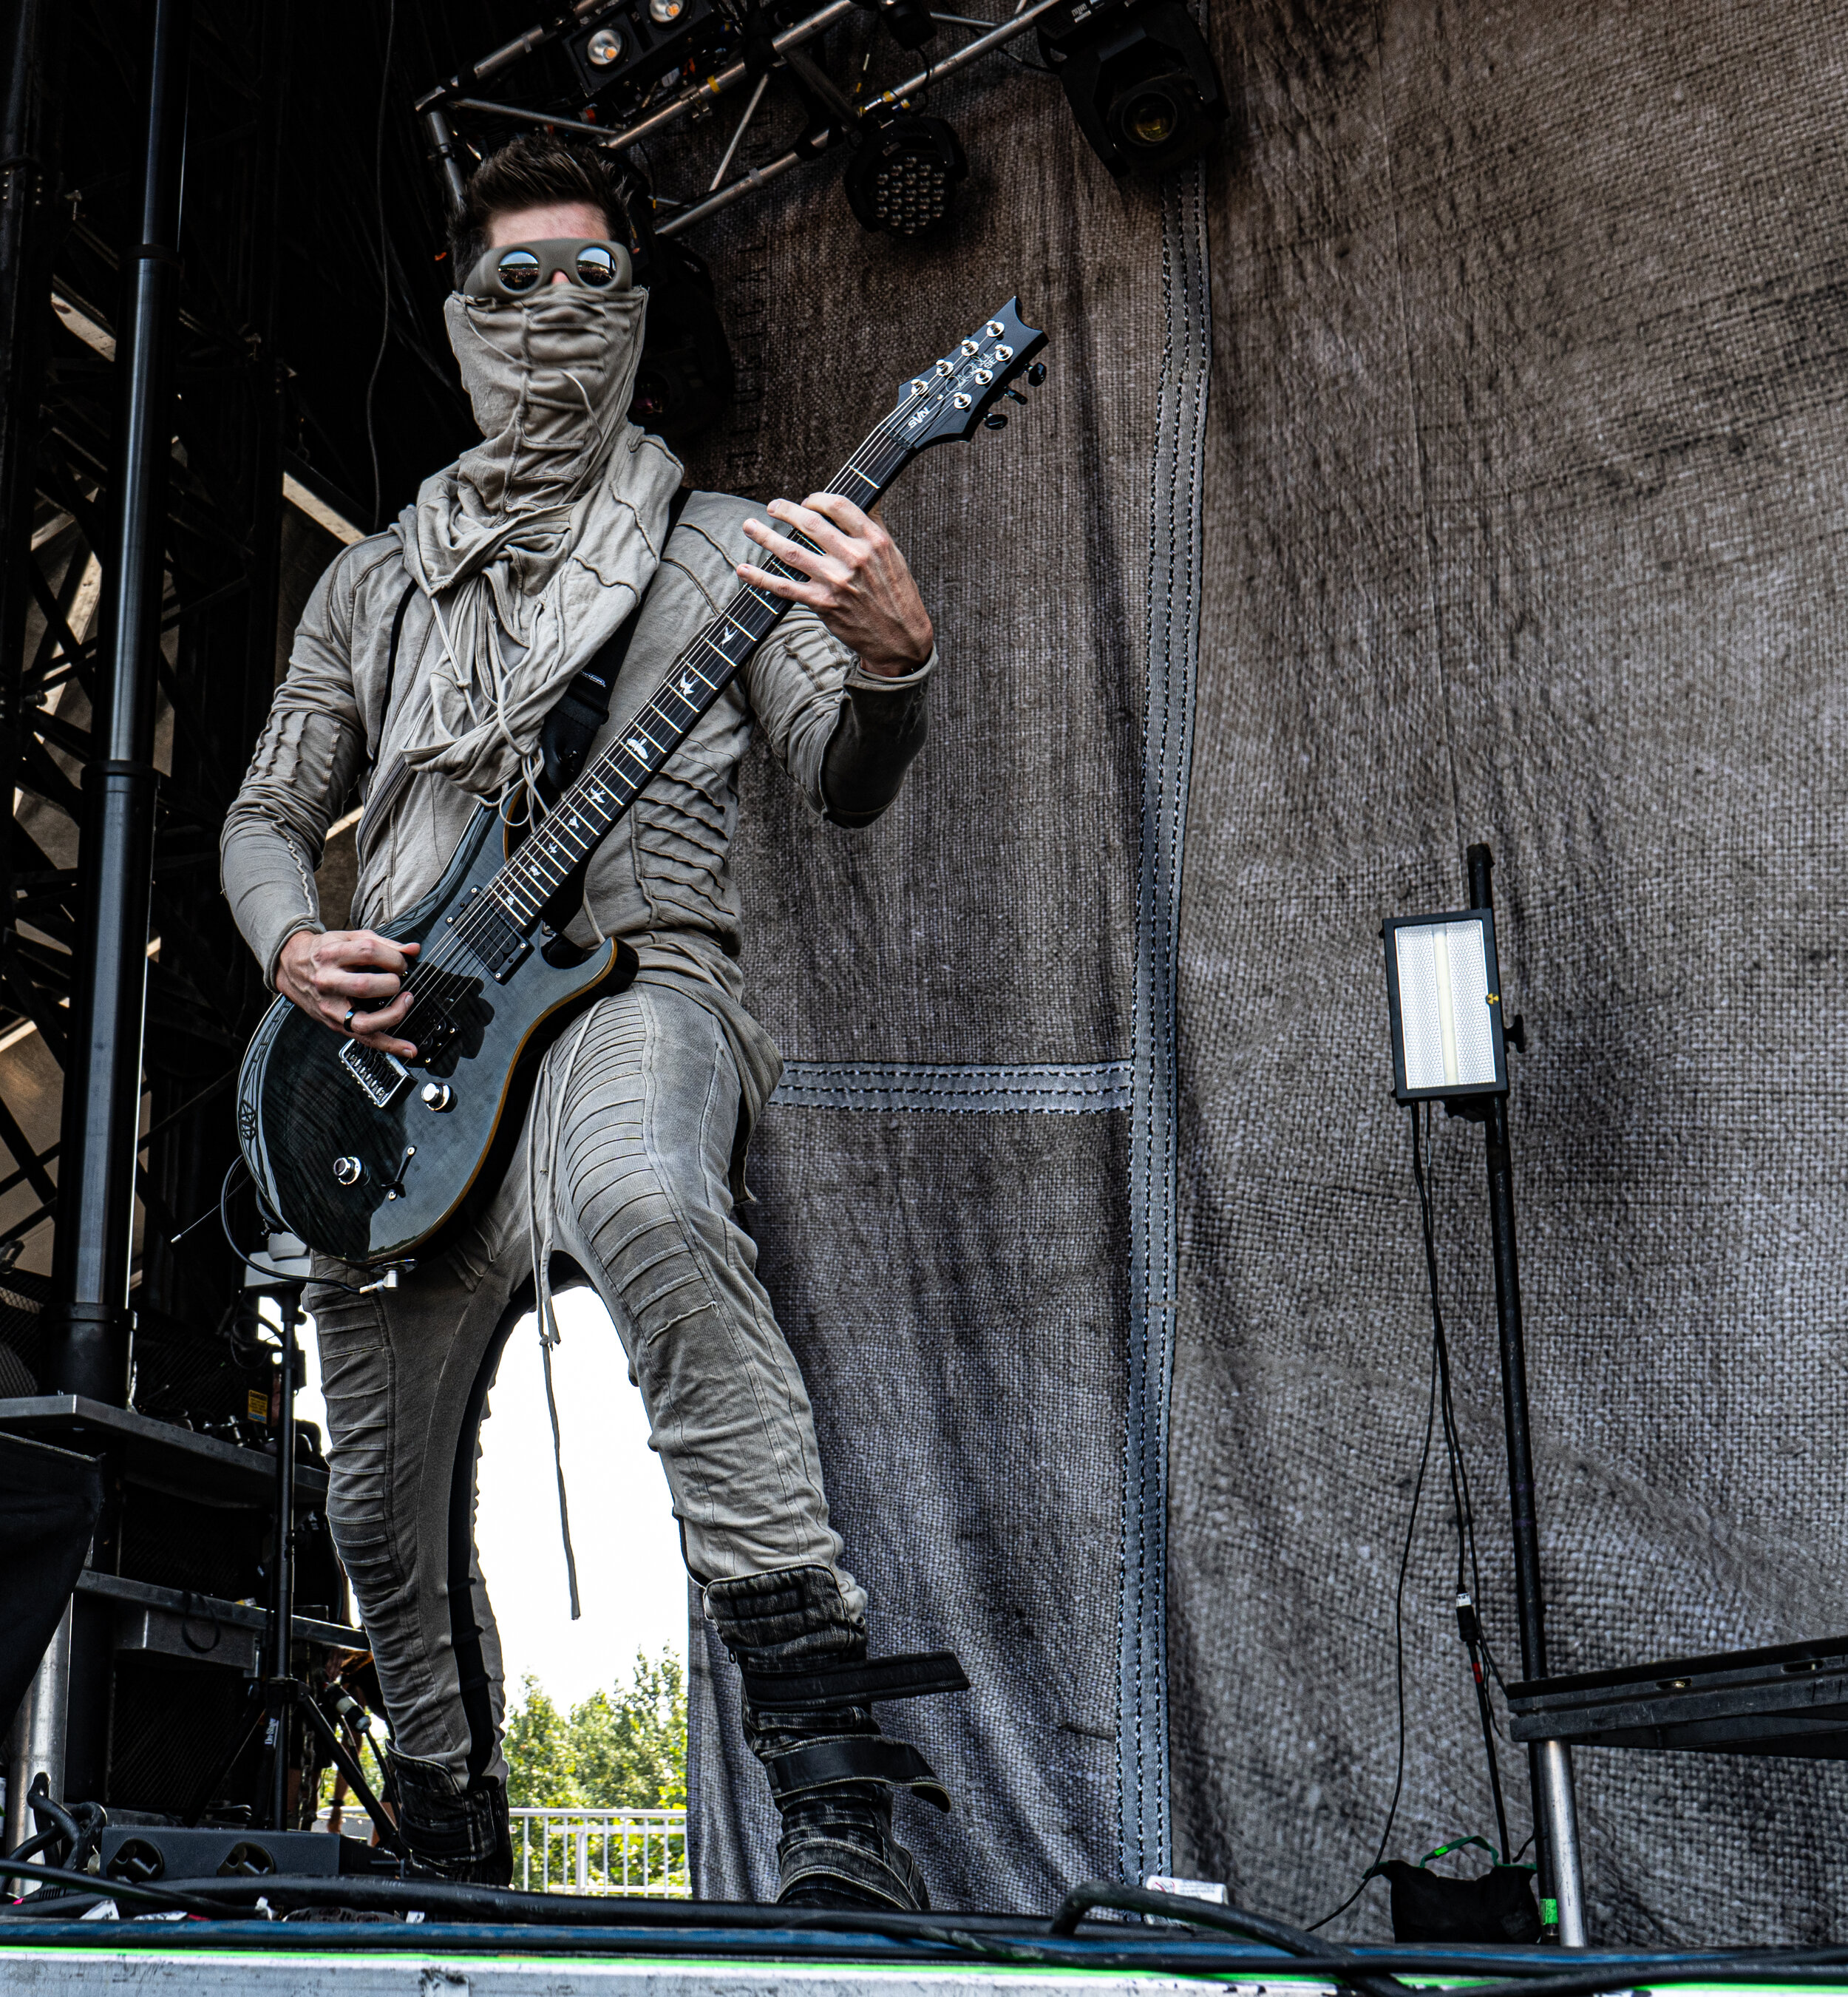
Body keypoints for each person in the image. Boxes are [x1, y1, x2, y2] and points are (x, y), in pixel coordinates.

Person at [220, 132, 954, 1910]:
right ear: (463, 313)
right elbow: (261, 814)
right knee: (376, 1511)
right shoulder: (371, 588)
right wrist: (290, 946)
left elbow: (843, 781)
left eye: (591, 281)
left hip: (634, 983)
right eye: (513, 284)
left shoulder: (724, 548)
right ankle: (456, 1850)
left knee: (643, 1200)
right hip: (398, 1059)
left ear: (639, 306)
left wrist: (894, 660)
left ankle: (833, 1795)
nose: (554, 316)